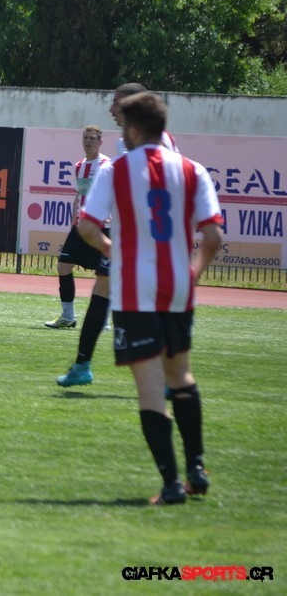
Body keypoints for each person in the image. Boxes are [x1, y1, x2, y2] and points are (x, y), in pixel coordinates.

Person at [78, 92, 223, 505]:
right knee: (181, 376)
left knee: (150, 387)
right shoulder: (193, 169)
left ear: (135, 130)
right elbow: (213, 236)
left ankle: (172, 484)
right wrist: (193, 273)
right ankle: (197, 467)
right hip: (178, 286)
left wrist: (113, 251)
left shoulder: (118, 170)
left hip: (135, 289)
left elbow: (88, 227)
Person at [49, 126, 112, 388]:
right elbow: (80, 193)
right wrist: (75, 215)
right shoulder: (79, 166)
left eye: (92, 139)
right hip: (81, 225)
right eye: (85, 138)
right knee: (63, 265)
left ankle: (104, 320)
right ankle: (68, 316)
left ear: (100, 141)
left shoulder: (107, 165)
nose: (88, 142)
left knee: (104, 276)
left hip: (103, 226)